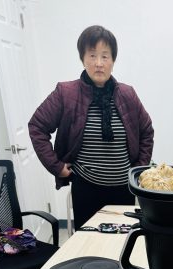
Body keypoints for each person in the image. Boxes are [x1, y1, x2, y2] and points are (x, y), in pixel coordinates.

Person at [29, 25, 154, 230]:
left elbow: (147, 131)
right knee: (88, 242)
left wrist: (138, 170)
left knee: (121, 241)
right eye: (92, 55)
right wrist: (57, 167)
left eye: (105, 56)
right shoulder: (65, 93)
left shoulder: (128, 94)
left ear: (113, 60)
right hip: (86, 189)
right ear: (83, 58)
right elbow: (37, 126)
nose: (98, 63)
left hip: (123, 190)